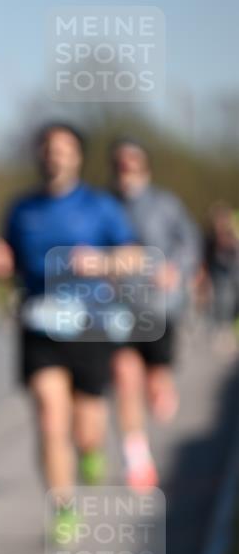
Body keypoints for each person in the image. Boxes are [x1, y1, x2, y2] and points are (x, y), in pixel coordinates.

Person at [0, 122, 140, 543]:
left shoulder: (100, 206)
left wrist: (102, 263)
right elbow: (7, 258)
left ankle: (91, 451)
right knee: (49, 416)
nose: (54, 156)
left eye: (63, 149)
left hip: (91, 325)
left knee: (85, 428)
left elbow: (133, 256)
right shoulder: (21, 208)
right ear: (39, 156)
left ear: (77, 157)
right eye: (47, 149)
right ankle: (62, 508)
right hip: (39, 324)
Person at [109, 138, 201, 490]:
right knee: (124, 376)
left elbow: (189, 242)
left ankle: (161, 385)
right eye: (119, 163)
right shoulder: (105, 205)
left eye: (132, 162)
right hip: (117, 309)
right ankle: (137, 459)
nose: (125, 170)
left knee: (155, 380)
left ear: (144, 166)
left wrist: (175, 268)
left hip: (159, 307)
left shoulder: (165, 204)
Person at [203, 201, 239, 354]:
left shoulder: (233, 236)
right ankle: (224, 333)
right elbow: (207, 258)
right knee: (223, 303)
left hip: (234, 275)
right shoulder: (210, 240)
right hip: (220, 278)